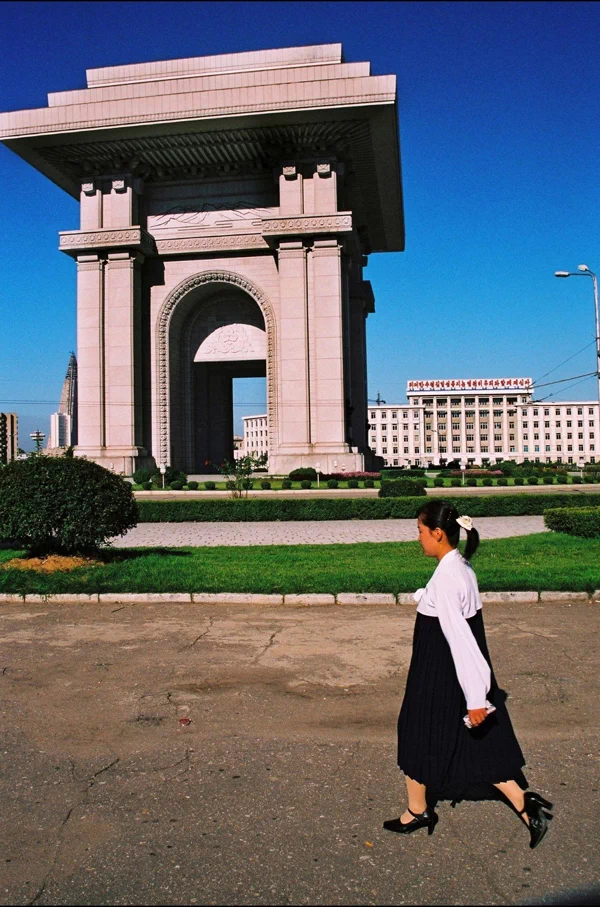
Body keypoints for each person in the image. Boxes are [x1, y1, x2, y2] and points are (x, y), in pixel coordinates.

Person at [383, 500, 553, 849]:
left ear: (438, 533)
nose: (417, 539)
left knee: (416, 730)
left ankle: (418, 812)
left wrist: (476, 698)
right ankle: (525, 805)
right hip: (452, 670)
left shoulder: (448, 577)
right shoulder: (460, 567)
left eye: (419, 531)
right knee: (475, 741)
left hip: (440, 670)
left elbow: (461, 640)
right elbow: (457, 615)